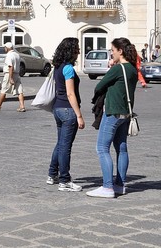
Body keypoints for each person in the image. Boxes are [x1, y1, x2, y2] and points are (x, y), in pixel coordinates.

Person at [87, 37, 138, 199]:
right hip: (126, 112)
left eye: (113, 50)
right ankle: (119, 185)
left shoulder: (118, 69)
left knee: (102, 148)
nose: (111, 53)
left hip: (113, 112)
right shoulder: (131, 69)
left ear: (120, 51)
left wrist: (111, 69)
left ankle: (107, 186)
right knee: (121, 148)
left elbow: (99, 86)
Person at [47, 38, 85, 191]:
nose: (79, 52)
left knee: (60, 143)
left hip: (57, 109)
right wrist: (79, 115)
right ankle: (65, 180)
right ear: (71, 51)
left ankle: (52, 174)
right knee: (65, 146)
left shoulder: (57, 67)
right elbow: (70, 93)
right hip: (68, 110)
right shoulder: (68, 68)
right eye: (77, 48)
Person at [0, 42, 26, 112]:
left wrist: (10, 78)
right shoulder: (17, 55)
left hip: (9, 74)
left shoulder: (9, 55)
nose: (4, 49)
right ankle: (22, 106)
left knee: (4, 89)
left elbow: (10, 67)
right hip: (17, 74)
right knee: (19, 90)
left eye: (5, 47)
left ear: (7, 48)